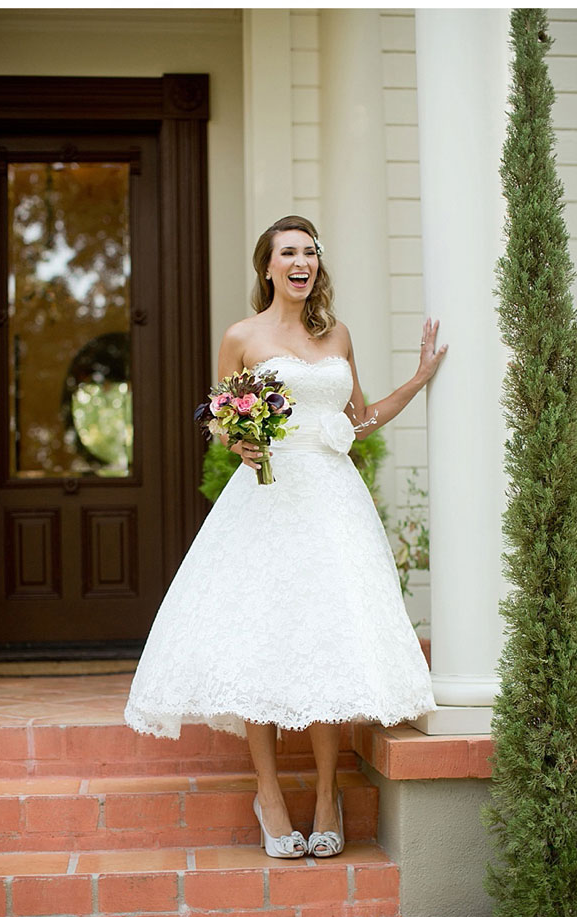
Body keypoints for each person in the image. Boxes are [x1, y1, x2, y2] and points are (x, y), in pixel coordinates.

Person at [124, 215, 448, 859]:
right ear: (268, 267)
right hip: (267, 501)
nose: (301, 262)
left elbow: (359, 420)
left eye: (309, 252)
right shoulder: (241, 337)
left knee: (325, 638)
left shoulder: (338, 335)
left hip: (333, 502)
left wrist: (417, 379)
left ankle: (327, 796)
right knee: (262, 639)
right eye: (288, 253)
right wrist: (237, 440)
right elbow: (220, 418)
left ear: (316, 265)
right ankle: (269, 796)